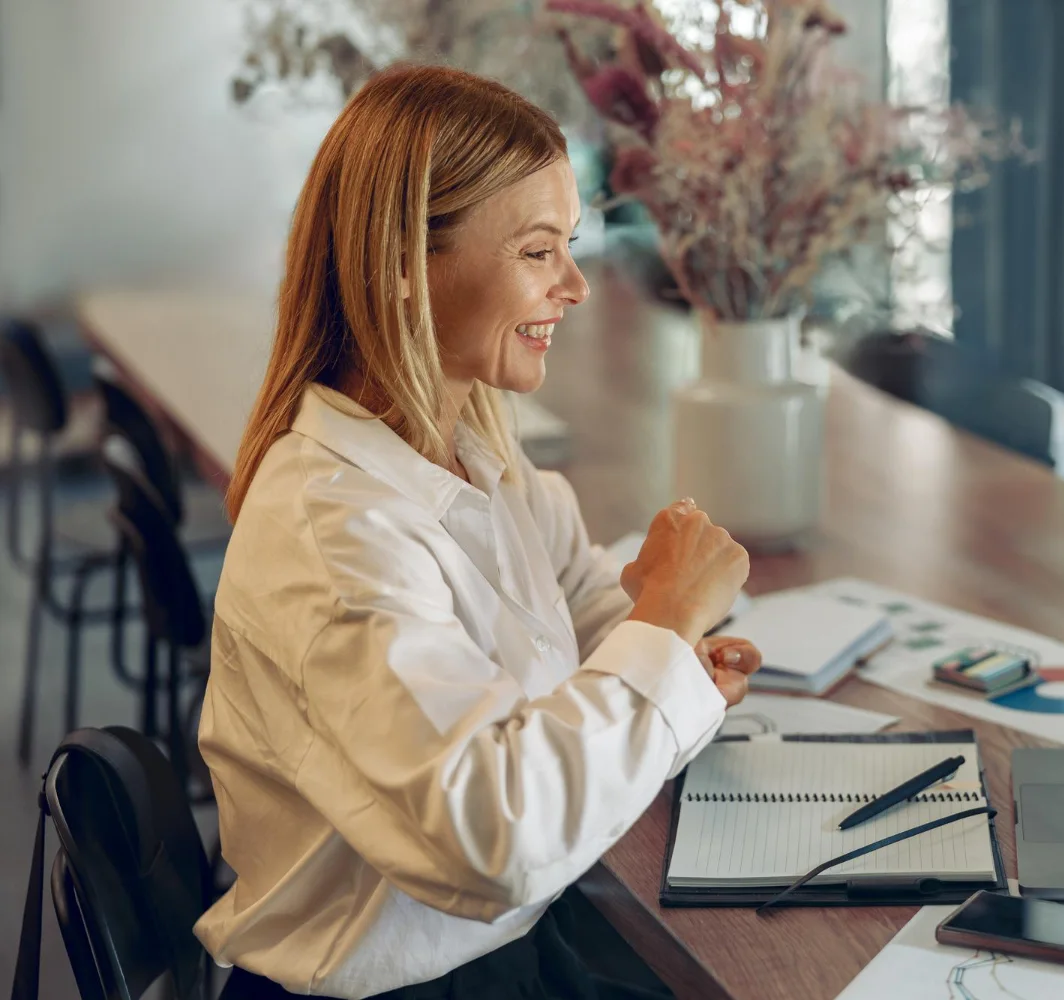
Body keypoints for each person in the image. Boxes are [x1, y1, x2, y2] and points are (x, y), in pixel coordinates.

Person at [201, 64, 759, 1000]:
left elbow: (578, 627)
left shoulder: (480, 459)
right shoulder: (332, 532)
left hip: (511, 956)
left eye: (571, 246)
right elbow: (490, 840)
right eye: (539, 252)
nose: (577, 285)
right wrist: (663, 625)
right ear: (404, 269)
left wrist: (676, 665)